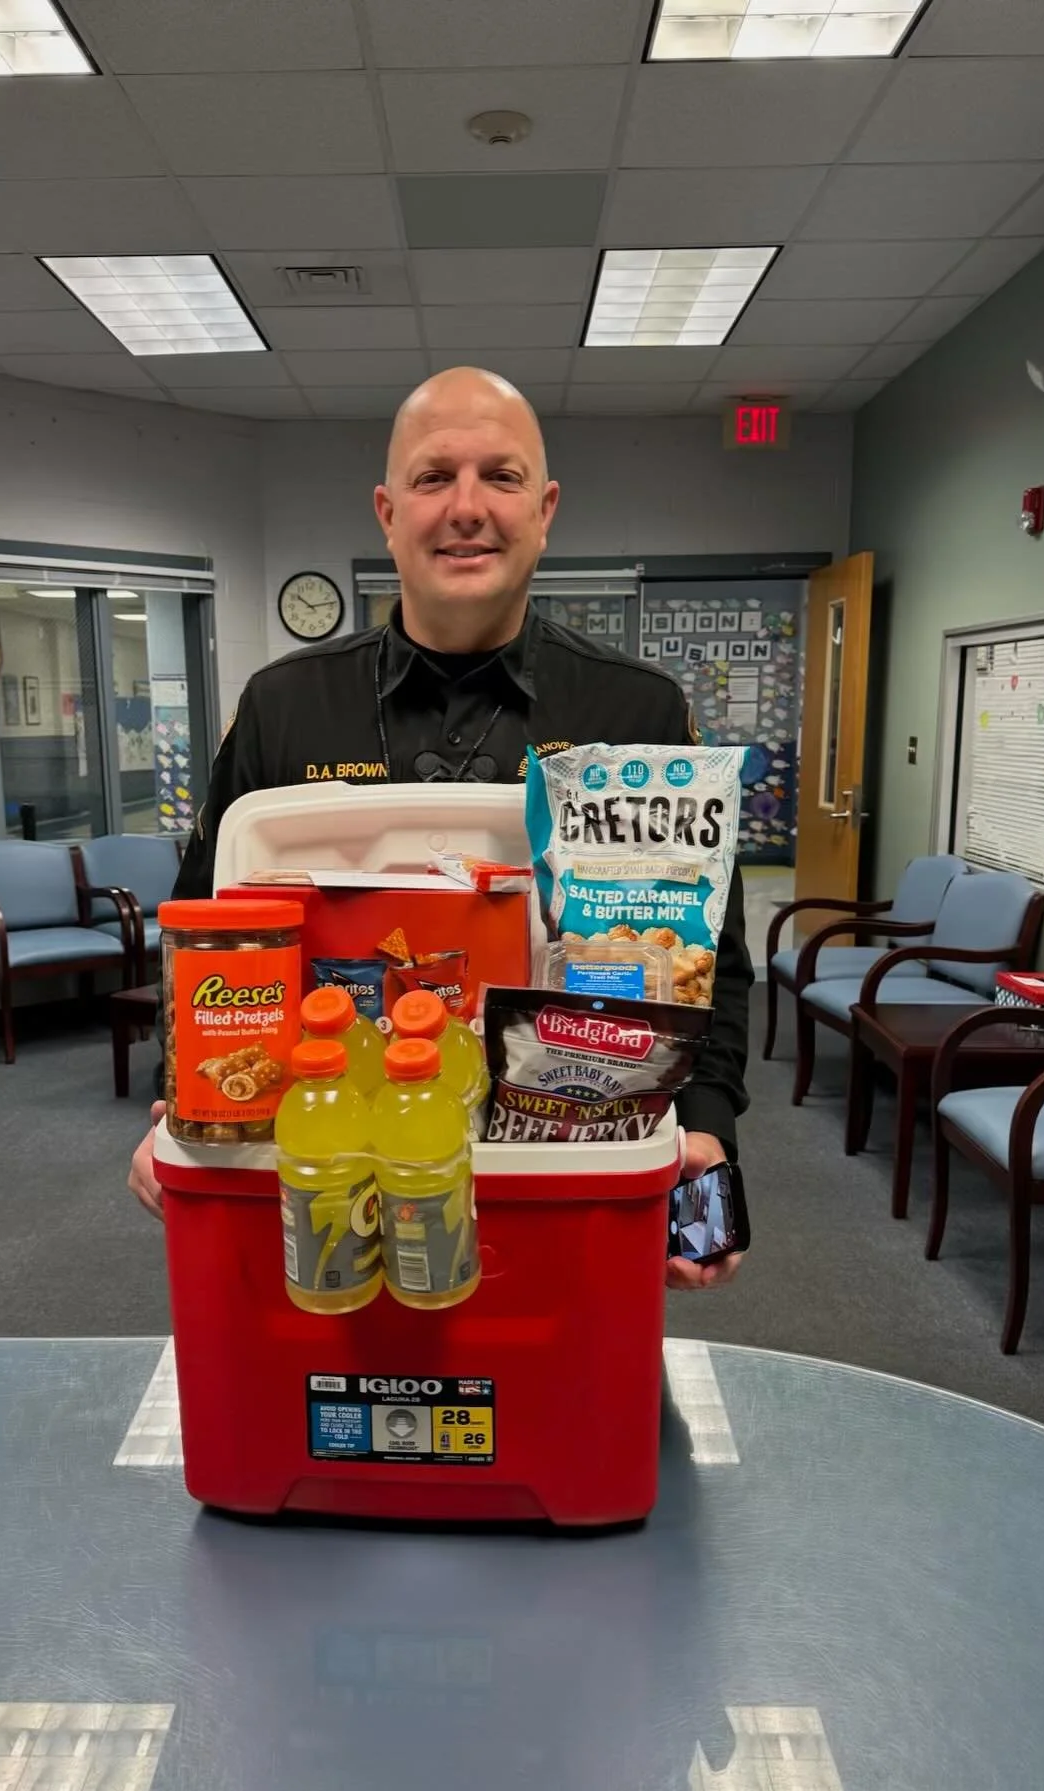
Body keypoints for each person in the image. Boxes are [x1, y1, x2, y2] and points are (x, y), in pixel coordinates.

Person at [129, 367, 751, 1287]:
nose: (467, 508)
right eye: (433, 478)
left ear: (545, 510)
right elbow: (203, 935)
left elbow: (709, 955)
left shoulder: (637, 709)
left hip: (572, 1156)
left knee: (565, 1407)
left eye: (500, 478)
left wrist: (703, 1136)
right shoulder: (282, 706)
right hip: (330, 1169)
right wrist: (175, 1105)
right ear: (387, 511)